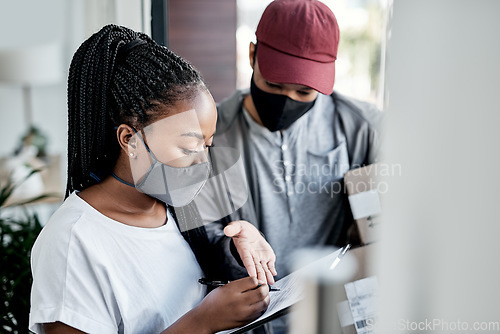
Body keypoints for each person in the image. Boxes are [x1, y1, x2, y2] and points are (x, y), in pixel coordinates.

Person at [29, 24, 276, 334]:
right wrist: (201, 323)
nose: (203, 162)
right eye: (188, 147)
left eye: (207, 145)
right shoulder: (72, 243)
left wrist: (239, 247)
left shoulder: (174, 207)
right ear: (130, 139)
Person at [212, 0, 382, 332]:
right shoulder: (212, 134)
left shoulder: (359, 129)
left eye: (304, 91)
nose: (286, 99)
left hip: (329, 318)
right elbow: (195, 230)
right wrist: (231, 245)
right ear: (251, 56)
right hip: (246, 321)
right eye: (274, 85)